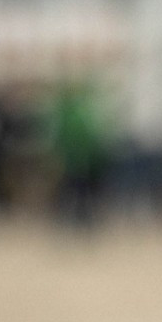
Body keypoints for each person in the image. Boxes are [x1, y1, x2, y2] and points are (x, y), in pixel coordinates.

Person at [43, 76, 112, 226]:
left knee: (74, 192)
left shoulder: (70, 114)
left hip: (76, 160)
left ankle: (76, 220)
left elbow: (62, 139)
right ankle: (81, 220)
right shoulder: (79, 113)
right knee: (80, 192)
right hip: (81, 160)